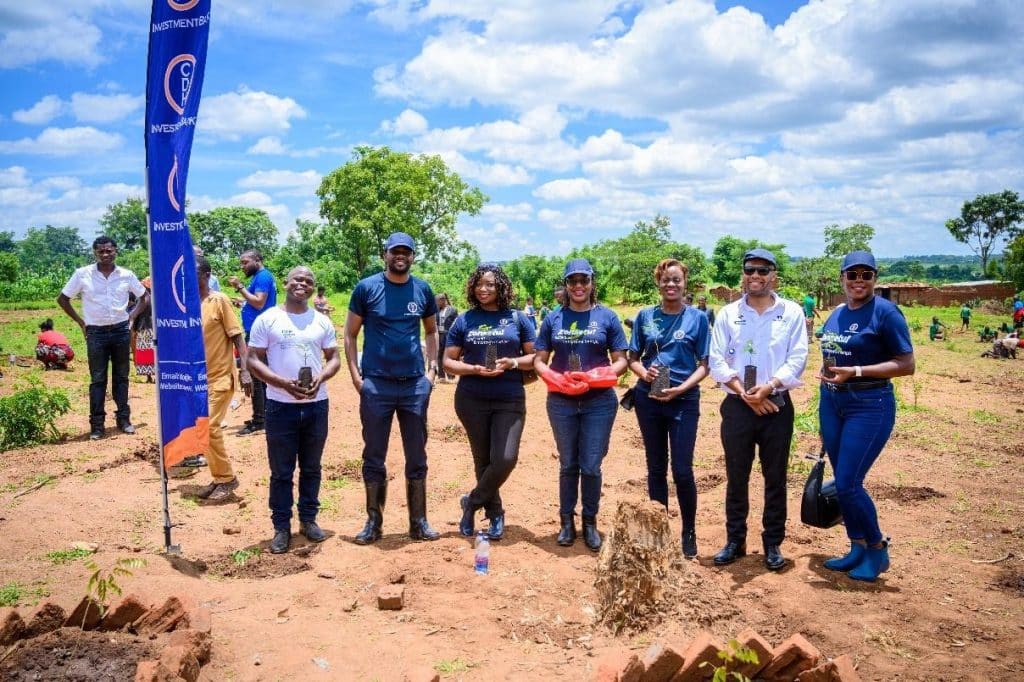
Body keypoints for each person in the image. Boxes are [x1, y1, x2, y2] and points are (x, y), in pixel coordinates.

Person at [708, 248, 807, 571]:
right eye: (750, 270)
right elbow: (717, 359)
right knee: (737, 476)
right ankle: (735, 541)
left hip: (775, 406)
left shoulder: (790, 313)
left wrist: (769, 387)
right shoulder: (727, 314)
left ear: (773, 276)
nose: (756, 276)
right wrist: (744, 392)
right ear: (743, 274)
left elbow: (798, 357)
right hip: (737, 406)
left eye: (763, 271)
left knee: (775, 477)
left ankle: (773, 543)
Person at [819, 251, 915, 582]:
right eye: (852, 274)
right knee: (843, 481)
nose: (859, 281)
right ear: (842, 277)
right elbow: (831, 354)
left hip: (870, 404)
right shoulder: (836, 313)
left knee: (848, 482)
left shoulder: (886, 313)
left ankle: (877, 547)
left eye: (866, 274)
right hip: (832, 403)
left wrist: (856, 371)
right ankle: (856, 547)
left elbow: (906, 364)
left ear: (875, 277)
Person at [345, 232, 442, 545]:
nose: (400, 256)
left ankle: (419, 522)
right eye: (394, 251)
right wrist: (357, 377)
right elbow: (350, 334)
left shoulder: (422, 289)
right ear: (384, 254)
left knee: (417, 455)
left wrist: (430, 371)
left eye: (406, 252)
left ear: (413, 256)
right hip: (377, 385)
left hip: (414, 385)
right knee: (374, 455)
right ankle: (374, 523)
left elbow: (431, 331)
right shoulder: (367, 288)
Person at [534, 258, 628, 551]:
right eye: (572, 281)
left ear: (591, 283)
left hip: (598, 403)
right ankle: (566, 522)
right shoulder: (553, 319)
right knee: (568, 463)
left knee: (591, 465)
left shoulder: (608, 318)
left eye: (583, 280)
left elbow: (622, 360)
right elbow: (539, 359)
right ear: (566, 285)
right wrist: (554, 378)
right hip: (561, 402)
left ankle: (590, 521)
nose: (578, 286)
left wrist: (598, 376)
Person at [247, 266, 341, 554]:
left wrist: (321, 378)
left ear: (313, 288)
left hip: (316, 405)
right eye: (297, 279)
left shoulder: (321, 322)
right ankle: (281, 527)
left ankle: (309, 520)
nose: (302, 283)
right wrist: (280, 382)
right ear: (286, 283)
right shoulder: (268, 319)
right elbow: (253, 359)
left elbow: (334, 358)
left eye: (309, 281)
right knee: (281, 471)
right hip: (279, 405)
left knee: (312, 467)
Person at [445, 264, 536, 540]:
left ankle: (471, 502)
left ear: (501, 288)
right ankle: (495, 513)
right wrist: (473, 369)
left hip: (509, 397)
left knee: (505, 458)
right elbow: (447, 362)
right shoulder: (464, 320)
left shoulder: (518, 319)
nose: (484, 289)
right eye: (479, 285)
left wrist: (512, 363)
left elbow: (535, 358)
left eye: (491, 285)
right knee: (483, 460)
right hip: (472, 398)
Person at [627, 259, 709, 559]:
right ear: (658, 283)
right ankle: (658, 531)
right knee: (656, 467)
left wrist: (683, 387)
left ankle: (688, 531)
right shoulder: (644, 316)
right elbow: (633, 357)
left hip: (684, 401)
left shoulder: (697, 319)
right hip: (649, 399)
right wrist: (642, 374)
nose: (671, 284)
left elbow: (704, 365)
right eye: (665, 280)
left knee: (683, 469)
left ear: (685, 282)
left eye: (676, 280)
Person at [58, 236, 148, 440]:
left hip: (120, 331)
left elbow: (144, 297)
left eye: (109, 251)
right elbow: (63, 299)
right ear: (95, 253)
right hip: (96, 333)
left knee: (121, 377)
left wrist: (131, 317)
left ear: (116, 251)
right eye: (101, 251)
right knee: (98, 379)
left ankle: (124, 420)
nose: (106, 254)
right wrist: (81, 322)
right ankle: (97, 425)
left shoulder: (126, 274)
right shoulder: (83, 274)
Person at [195, 256, 252, 502]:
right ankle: (219, 476)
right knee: (201, 428)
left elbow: (238, 337)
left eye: (194, 271)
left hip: (220, 377)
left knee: (207, 427)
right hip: (196, 380)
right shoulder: (185, 302)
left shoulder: (219, 301)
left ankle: (227, 479)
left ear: (207, 275)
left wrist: (246, 370)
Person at [229, 249, 277, 436]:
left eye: (245, 262)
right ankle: (263, 416)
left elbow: (258, 302)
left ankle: (260, 421)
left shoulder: (263, 277)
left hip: (260, 333)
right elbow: (255, 302)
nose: (242, 266)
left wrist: (239, 286)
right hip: (258, 331)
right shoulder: (259, 277)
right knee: (261, 376)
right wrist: (242, 302)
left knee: (256, 376)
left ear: (257, 260)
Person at [131, 277, 155, 383]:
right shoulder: (157, 299)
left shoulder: (141, 300)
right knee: (154, 352)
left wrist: (135, 328)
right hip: (155, 329)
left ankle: (148, 376)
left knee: (146, 352)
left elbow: (137, 315)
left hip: (144, 327)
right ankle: (155, 375)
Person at [435, 293, 458, 383]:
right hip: (439, 335)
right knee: (439, 355)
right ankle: (441, 376)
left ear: (443, 300)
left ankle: (451, 376)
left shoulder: (452, 310)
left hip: (448, 335)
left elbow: (456, 323)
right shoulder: (437, 311)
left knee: (449, 355)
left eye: (437, 301)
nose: (436, 303)